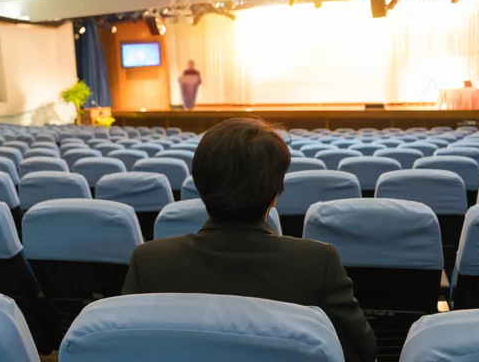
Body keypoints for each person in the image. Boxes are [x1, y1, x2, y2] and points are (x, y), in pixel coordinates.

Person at [122, 117, 378, 362]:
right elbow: (362, 353)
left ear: (199, 185)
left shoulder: (148, 262)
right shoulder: (317, 264)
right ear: (276, 193)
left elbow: (125, 349)